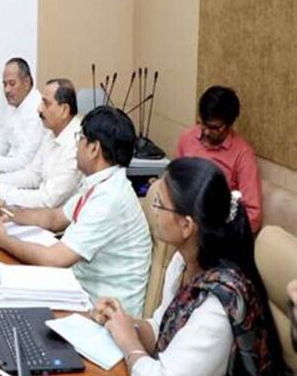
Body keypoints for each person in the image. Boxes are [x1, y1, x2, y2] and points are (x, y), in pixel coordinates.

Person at [92, 157, 288, 375]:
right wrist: (124, 324)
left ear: (186, 226)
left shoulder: (216, 306)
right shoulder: (182, 262)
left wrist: (129, 342)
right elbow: (161, 328)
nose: (154, 211)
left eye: (159, 204)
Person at [0, 106, 151, 316]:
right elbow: (55, 218)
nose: (76, 145)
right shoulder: (102, 183)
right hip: (83, 293)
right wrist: (10, 213)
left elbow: (55, 259)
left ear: (94, 148)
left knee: (8, 310)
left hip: (106, 314)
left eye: (80, 138)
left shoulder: (110, 198)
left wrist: (3, 240)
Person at [0, 78, 83, 208]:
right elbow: (32, 174)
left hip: (57, 217)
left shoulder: (77, 144)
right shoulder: (52, 133)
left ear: (64, 110)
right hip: (42, 210)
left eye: (46, 103)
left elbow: (48, 199)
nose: (39, 109)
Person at [176, 86, 262, 232]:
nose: (206, 131)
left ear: (229, 124)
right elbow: (175, 181)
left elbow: (252, 215)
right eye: (203, 123)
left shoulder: (243, 154)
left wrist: (221, 234)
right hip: (182, 219)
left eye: (214, 127)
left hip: (215, 229)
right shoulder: (187, 137)